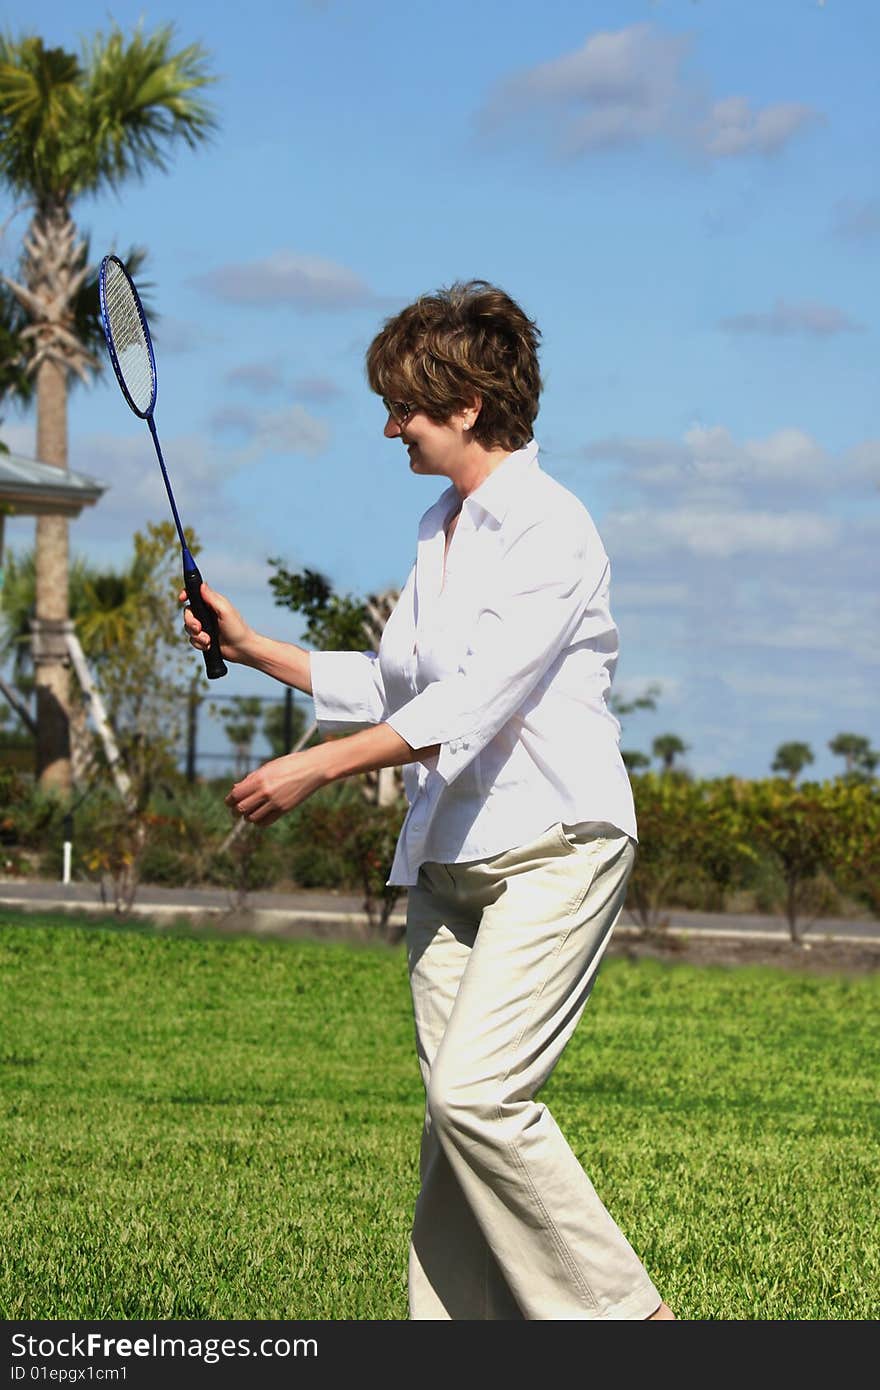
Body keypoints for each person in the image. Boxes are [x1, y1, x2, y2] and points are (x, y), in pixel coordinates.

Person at [181, 280, 674, 1321]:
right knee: (452, 1135)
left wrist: (318, 767)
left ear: (466, 405)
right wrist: (251, 645)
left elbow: (478, 697)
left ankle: (632, 1325)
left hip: (556, 841)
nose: (388, 423)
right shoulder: (436, 525)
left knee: (478, 1099)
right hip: (449, 856)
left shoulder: (553, 525)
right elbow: (402, 682)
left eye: (404, 403)